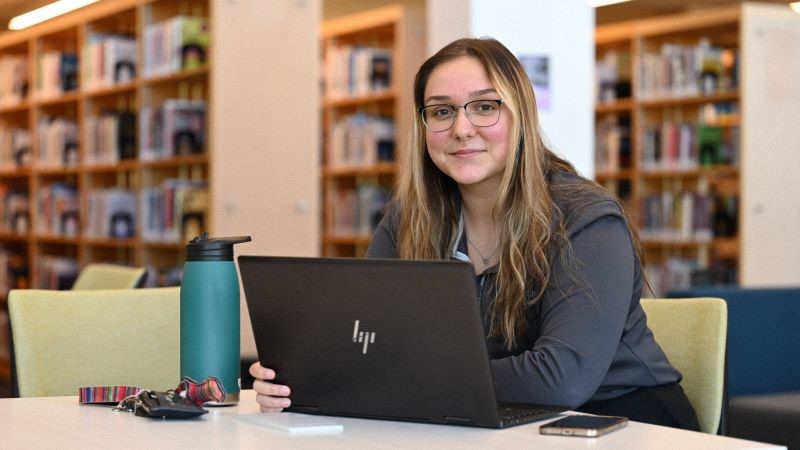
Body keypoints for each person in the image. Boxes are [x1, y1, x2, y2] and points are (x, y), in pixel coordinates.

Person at [250, 37, 700, 431]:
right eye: (441, 111)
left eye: (485, 107)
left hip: (622, 423)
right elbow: (367, 344)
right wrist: (300, 380)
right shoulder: (407, 221)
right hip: (486, 420)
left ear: (520, 114)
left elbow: (563, 378)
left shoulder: (587, 219)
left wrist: (399, 376)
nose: (461, 129)